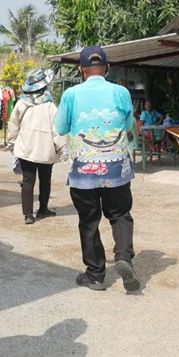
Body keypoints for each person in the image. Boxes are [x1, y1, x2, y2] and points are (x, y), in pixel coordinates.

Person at [55, 46, 140, 293]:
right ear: (107, 68)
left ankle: (95, 275)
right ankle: (123, 256)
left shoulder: (71, 94)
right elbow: (128, 123)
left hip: (83, 171)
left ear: (81, 70)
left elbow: (60, 128)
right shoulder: (121, 92)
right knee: (120, 214)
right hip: (117, 168)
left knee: (89, 220)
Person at [7, 68, 65, 225]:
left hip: (26, 148)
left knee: (28, 181)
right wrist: (61, 148)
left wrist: (11, 142)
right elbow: (57, 130)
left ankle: (28, 215)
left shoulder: (21, 103)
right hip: (46, 150)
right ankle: (43, 209)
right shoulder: (50, 106)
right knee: (45, 180)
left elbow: (13, 125)